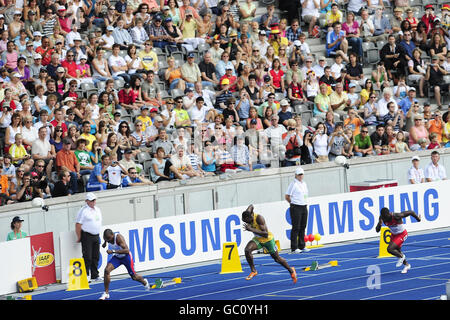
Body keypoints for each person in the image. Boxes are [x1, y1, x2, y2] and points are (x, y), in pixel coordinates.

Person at [241, 204, 297, 283]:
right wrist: (249, 210)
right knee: (247, 250)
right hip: (258, 239)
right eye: (245, 221)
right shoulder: (248, 214)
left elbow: (265, 234)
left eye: (248, 221)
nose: (247, 223)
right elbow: (251, 205)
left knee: (277, 259)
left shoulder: (259, 218)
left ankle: (291, 270)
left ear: (251, 217)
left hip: (268, 240)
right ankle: (253, 270)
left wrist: (251, 229)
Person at [99, 229, 150, 300]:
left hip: (126, 257)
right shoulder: (107, 238)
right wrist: (105, 243)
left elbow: (127, 250)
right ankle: (106, 293)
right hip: (117, 257)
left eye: (109, 239)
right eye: (107, 239)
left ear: (113, 235)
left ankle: (144, 282)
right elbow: (106, 239)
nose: (108, 241)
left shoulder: (119, 238)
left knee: (134, 277)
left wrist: (113, 251)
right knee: (107, 270)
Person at [376, 207, 421, 274]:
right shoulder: (382, 218)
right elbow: (377, 230)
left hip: (402, 234)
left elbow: (411, 212)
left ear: (389, 214)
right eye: (384, 217)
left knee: (390, 249)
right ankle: (407, 265)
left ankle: (402, 256)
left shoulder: (396, 216)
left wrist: (418, 219)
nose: (385, 219)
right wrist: (379, 224)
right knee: (397, 251)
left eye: (386, 217)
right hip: (394, 235)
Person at [75, 192, 102, 282]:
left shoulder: (97, 209)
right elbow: (78, 224)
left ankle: (95, 274)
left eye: (94, 200)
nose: (94, 202)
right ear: (87, 201)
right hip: (87, 235)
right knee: (87, 256)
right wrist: (79, 236)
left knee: (96, 256)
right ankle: (86, 275)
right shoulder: (83, 211)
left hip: (96, 235)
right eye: (92, 200)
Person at [285, 166, 310, 254]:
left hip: (304, 206)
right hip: (296, 207)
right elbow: (287, 196)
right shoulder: (293, 184)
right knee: (296, 227)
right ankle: (294, 247)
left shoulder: (304, 183)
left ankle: (302, 245)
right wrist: (292, 204)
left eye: (301, 174)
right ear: (295, 175)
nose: (300, 176)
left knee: (303, 226)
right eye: (299, 175)